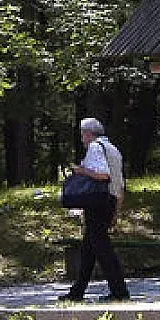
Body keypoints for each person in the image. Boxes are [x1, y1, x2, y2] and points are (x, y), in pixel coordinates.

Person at [59, 117, 130, 302]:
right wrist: (116, 211)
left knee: (102, 248)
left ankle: (119, 291)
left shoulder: (95, 147)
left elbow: (103, 174)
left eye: (82, 134)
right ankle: (78, 291)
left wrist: (81, 171)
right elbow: (120, 185)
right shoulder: (113, 150)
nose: (82, 139)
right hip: (110, 201)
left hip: (97, 203)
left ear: (88, 134)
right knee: (88, 249)